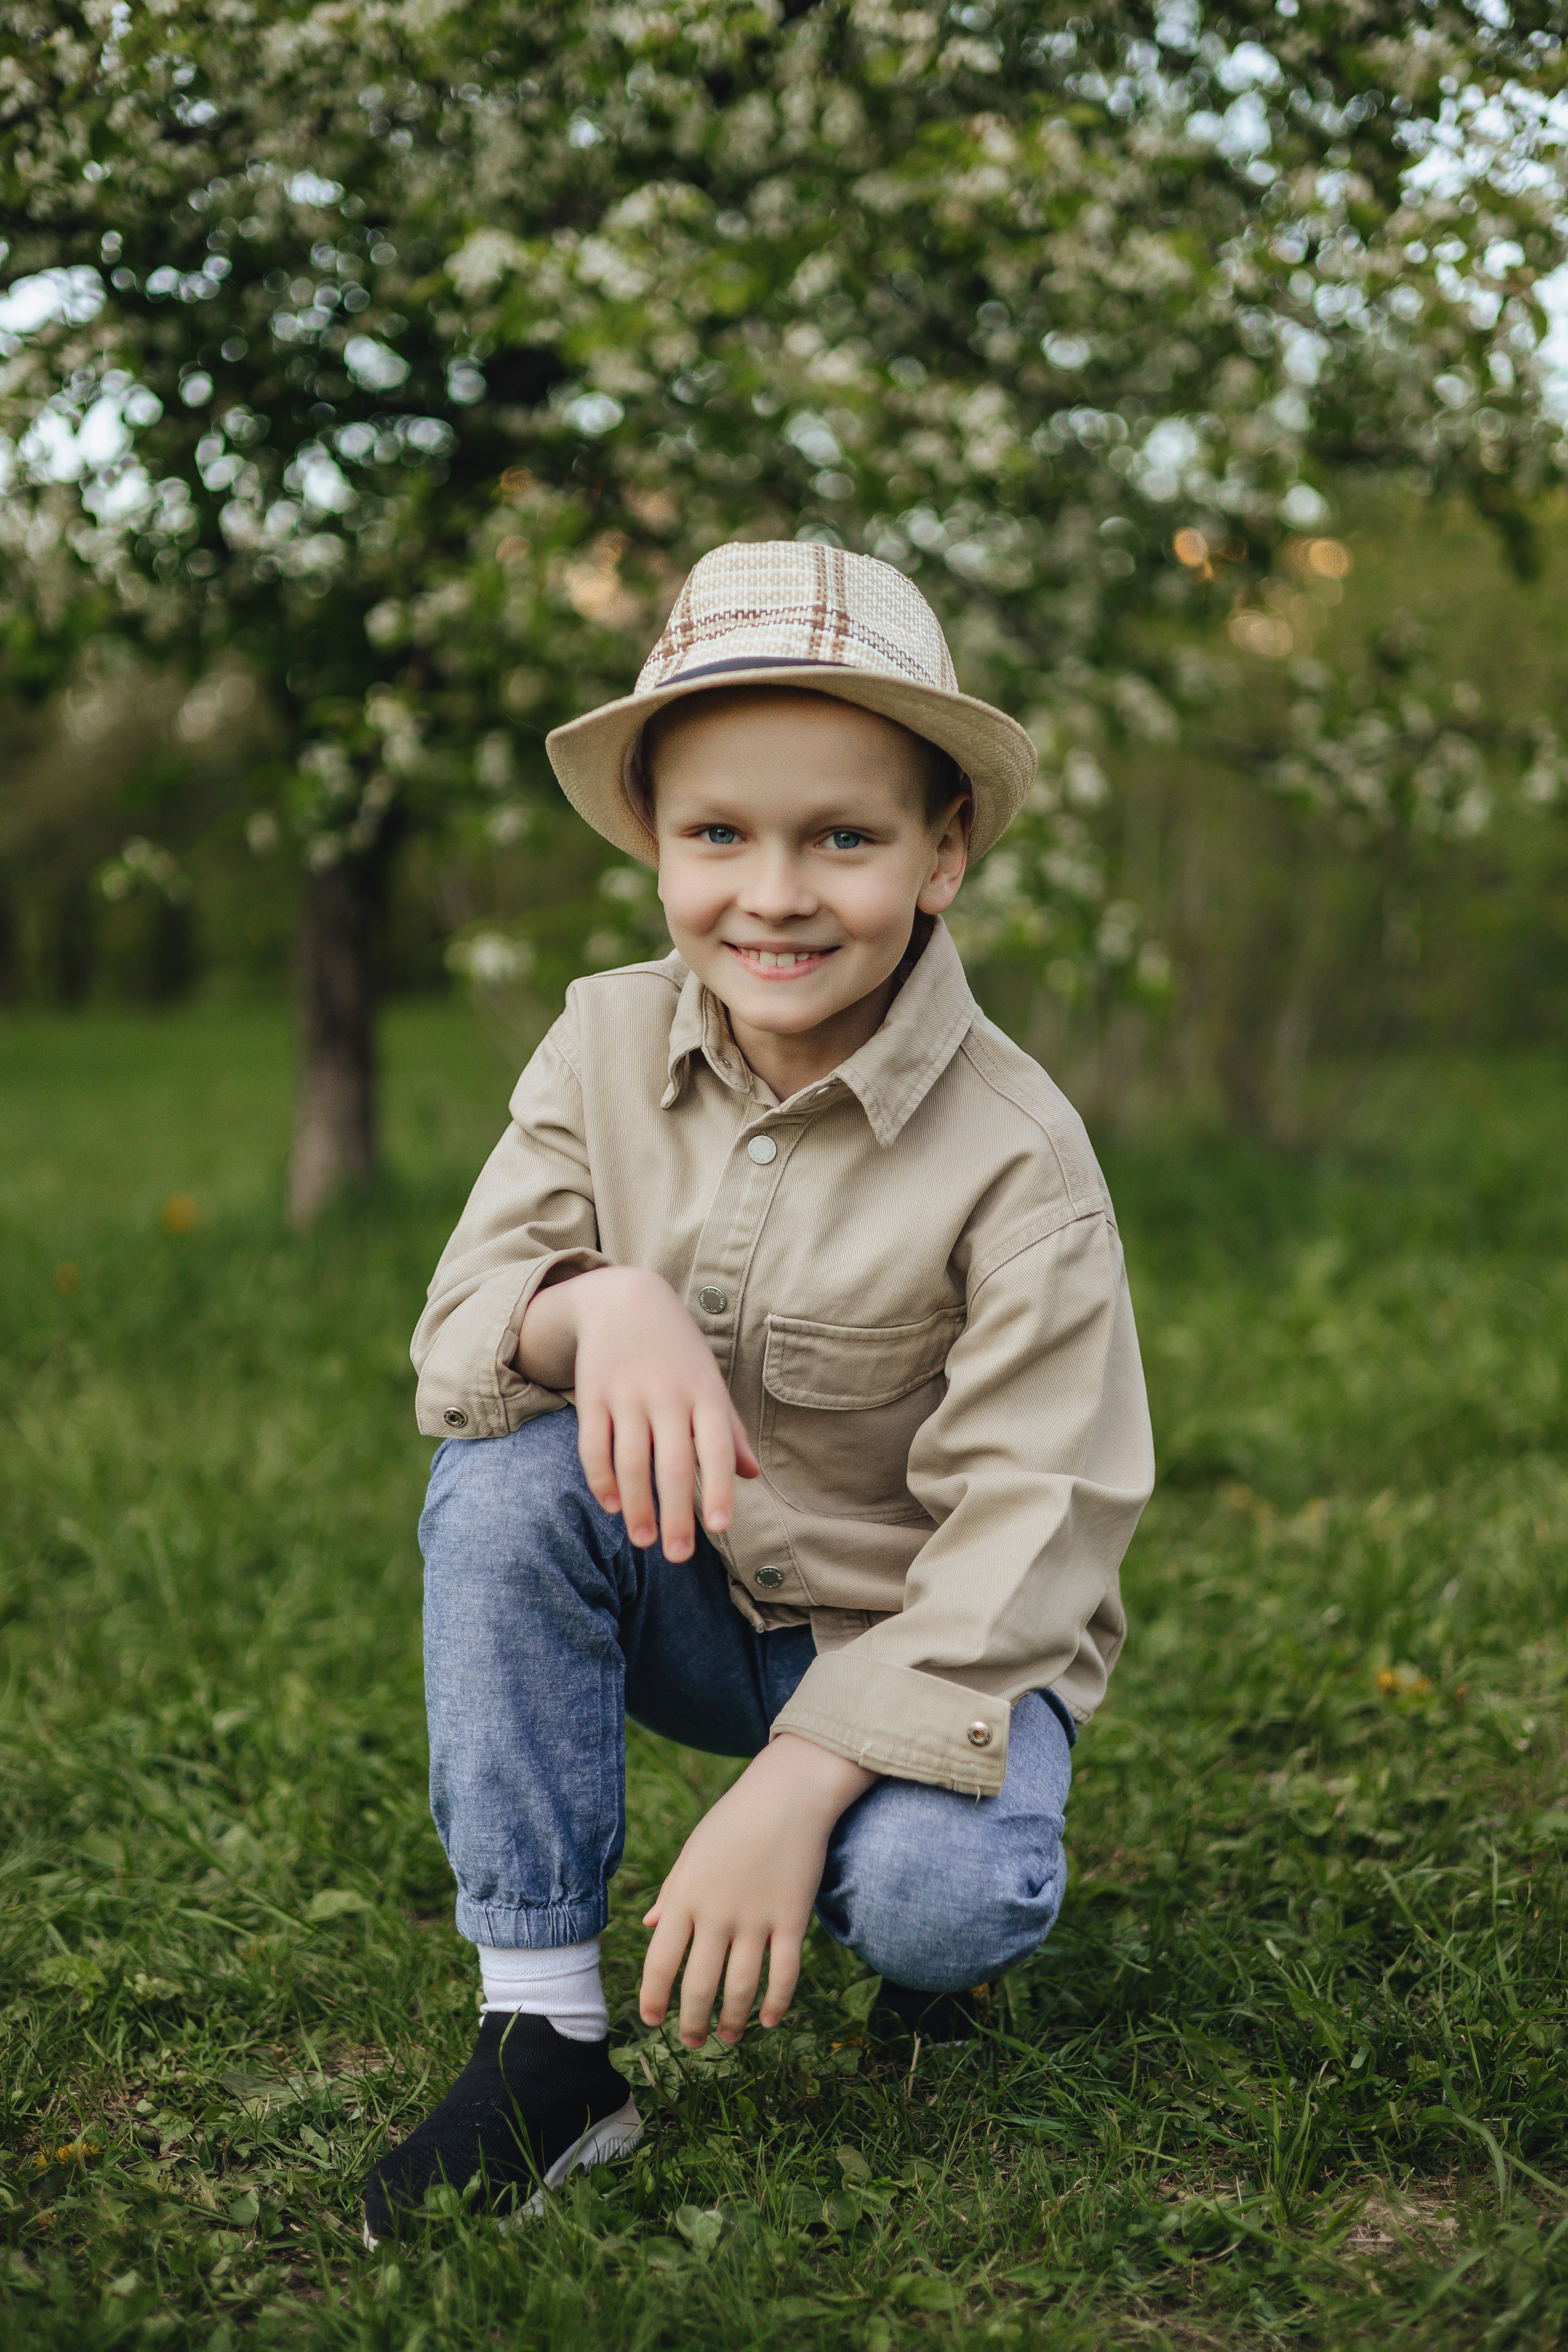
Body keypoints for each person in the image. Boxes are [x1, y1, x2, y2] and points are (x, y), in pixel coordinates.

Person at [361, 541, 1154, 2242]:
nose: (775, 895)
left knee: (937, 1900)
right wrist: (599, 1306)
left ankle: (930, 1954)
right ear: (657, 842)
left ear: (945, 854)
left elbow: (1039, 1529)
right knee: (500, 1481)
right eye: (719, 835)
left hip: (924, 1642)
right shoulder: (596, 1046)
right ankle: (546, 2040)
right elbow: (452, 1342)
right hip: (695, 1593)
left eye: (844, 838)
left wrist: (796, 1786)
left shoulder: (1018, 1157)